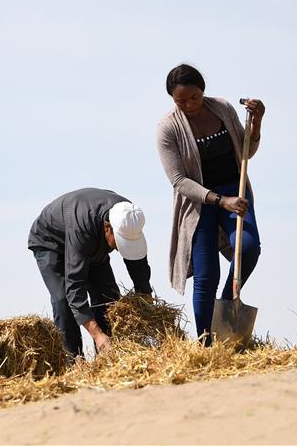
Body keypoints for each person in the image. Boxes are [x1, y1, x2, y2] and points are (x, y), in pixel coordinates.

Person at [155, 64, 265, 345]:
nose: (189, 104)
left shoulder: (223, 109)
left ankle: (227, 305)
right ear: (172, 99)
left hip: (235, 192)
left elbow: (246, 152)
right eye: (181, 100)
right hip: (198, 204)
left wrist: (257, 122)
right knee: (206, 275)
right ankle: (205, 343)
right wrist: (219, 201)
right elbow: (179, 180)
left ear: (202, 91)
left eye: (194, 97)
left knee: (248, 247)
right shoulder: (168, 128)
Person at [28, 188, 152, 358]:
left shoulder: (130, 216)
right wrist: (97, 335)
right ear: (107, 228)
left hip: (90, 238)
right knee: (63, 300)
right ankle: (74, 362)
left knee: (108, 296)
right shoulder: (83, 228)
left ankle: (108, 360)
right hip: (51, 241)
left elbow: (138, 266)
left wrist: (146, 300)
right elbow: (75, 288)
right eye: (120, 243)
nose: (118, 249)